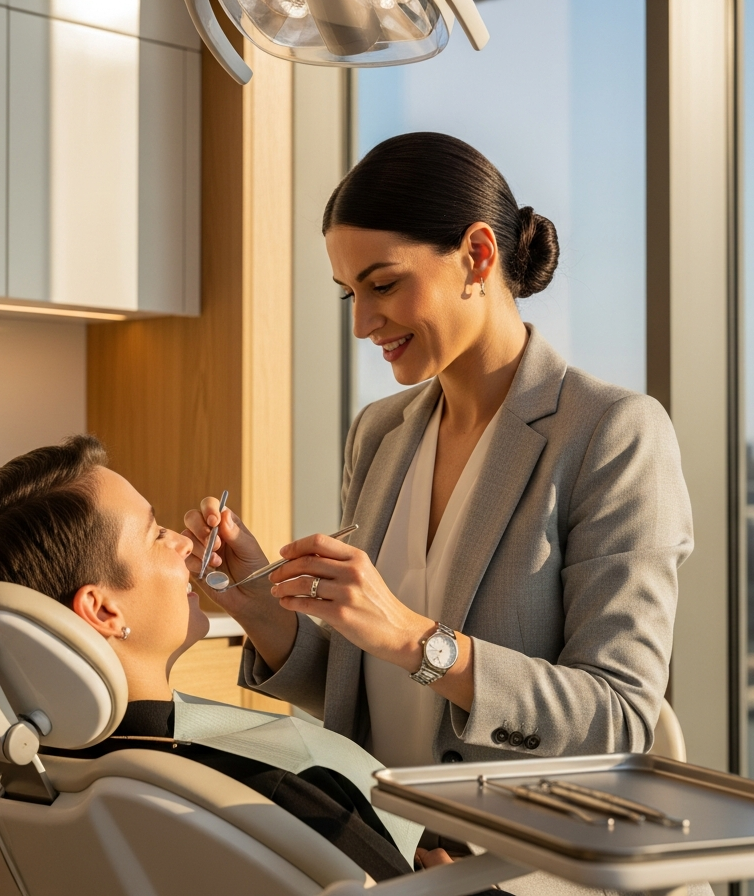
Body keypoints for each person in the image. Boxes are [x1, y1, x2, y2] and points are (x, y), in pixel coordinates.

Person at [186, 131, 693, 772]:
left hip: (522, 857)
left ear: (477, 255)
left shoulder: (612, 434)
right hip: (392, 847)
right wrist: (260, 605)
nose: (361, 323)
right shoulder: (378, 434)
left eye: (385, 285)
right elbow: (364, 697)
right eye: (350, 292)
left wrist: (409, 636)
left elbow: (616, 719)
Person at [0, 436, 473, 884]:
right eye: (155, 534)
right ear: (102, 610)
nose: (186, 547)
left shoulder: (20, 771)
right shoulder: (277, 789)